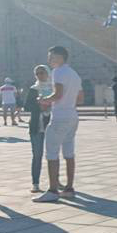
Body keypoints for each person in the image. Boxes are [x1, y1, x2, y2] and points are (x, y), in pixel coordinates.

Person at [32, 46, 83, 202]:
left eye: (51, 57)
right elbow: (80, 98)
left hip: (60, 116)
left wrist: (44, 100)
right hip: (72, 115)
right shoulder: (74, 74)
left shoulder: (58, 72)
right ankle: (69, 188)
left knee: (52, 153)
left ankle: (53, 190)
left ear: (60, 57)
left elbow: (58, 94)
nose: (49, 60)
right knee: (69, 152)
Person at [24, 65, 53, 193]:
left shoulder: (53, 88)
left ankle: (55, 181)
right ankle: (35, 183)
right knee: (37, 155)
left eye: (42, 72)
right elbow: (26, 106)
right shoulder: (33, 89)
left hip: (51, 125)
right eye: (38, 73)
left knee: (53, 155)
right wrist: (39, 106)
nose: (40, 75)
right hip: (36, 126)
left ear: (48, 73)